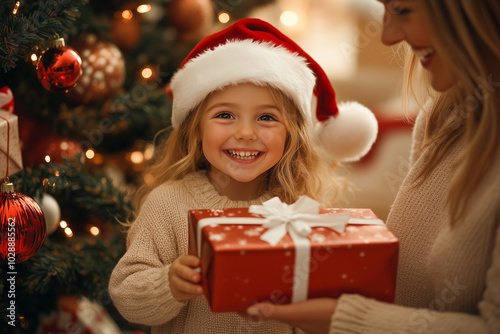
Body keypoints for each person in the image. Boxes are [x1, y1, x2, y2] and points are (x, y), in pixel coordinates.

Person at [108, 18, 377, 334]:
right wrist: (169, 284)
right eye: (225, 115)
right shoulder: (168, 204)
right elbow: (126, 296)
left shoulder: (299, 209)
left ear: (292, 134)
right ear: (195, 127)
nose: (246, 133)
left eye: (266, 117)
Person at [245, 0, 500, 333]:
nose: (388, 36)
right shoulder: (445, 117)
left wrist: (345, 319)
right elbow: (409, 287)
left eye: (403, 10)